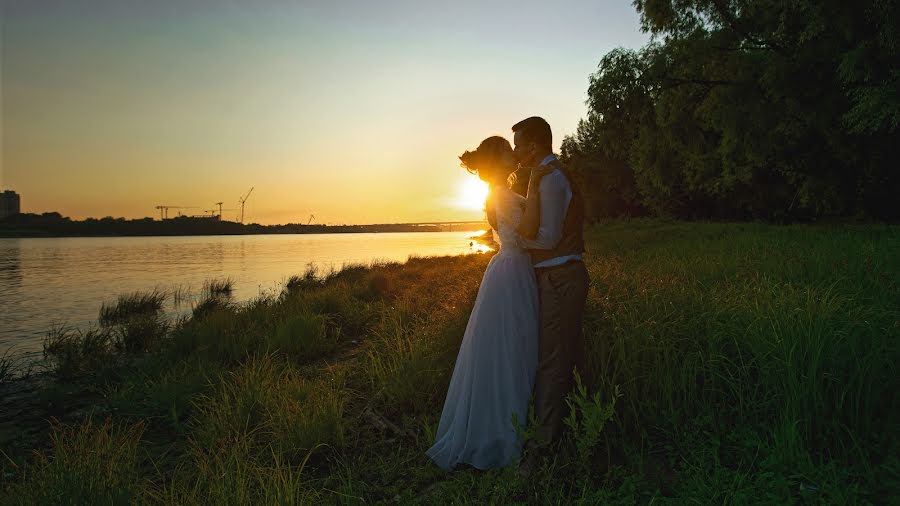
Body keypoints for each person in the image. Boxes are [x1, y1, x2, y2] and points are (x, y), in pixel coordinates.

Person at [425, 136, 540, 470]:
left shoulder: (498, 193)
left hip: (509, 269)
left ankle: (516, 422)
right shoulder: (502, 196)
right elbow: (520, 237)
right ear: (497, 159)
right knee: (512, 346)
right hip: (513, 270)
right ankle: (507, 431)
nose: (513, 154)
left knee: (511, 345)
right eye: (507, 150)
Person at [513, 116, 589, 473]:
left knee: (554, 363)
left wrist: (513, 243)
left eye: (518, 143)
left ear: (533, 145)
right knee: (552, 357)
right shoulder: (541, 177)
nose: (515, 150)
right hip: (552, 277)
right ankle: (555, 433)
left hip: (561, 276)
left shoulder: (553, 178)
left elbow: (548, 238)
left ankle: (544, 449)